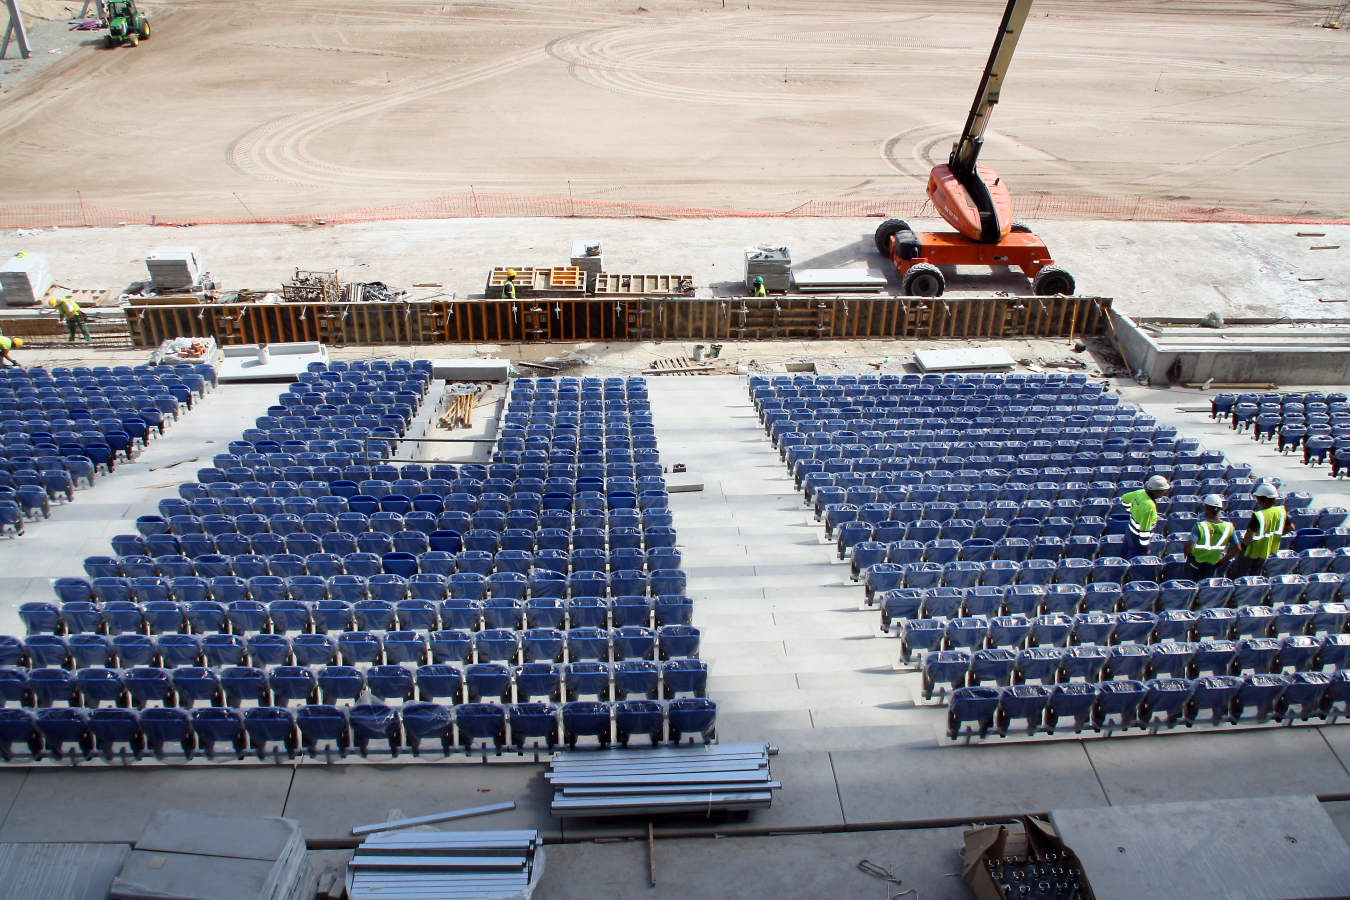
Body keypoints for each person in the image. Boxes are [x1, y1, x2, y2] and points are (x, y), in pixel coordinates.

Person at [1231, 482, 1295, 578]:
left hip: (1251, 550)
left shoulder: (1259, 515)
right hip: (1266, 548)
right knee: (1256, 575)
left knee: (1239, 574)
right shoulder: (1280, 512)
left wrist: (1241, 547)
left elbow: (1249, 537)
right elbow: (1291, 527)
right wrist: (1274, 534)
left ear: (1259, 499)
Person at [1185, 493, 1239, 581]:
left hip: (1197, 566)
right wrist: (1222, 561)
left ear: (1206, 507)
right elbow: (1237, 547)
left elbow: (1188, 549)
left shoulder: (1200, 526)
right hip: (1216, 565)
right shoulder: (1229, 527)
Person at [1118, 474, 1170, 559]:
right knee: (1135, 559)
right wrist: (1145, 548)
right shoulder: (1149, 506)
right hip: (1137, 538)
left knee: (1125, 553)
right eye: (1162, 490)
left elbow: (1124, 499)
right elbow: (1144, 530)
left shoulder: (1141, 492)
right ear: (1155, 491)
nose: (1164, 492)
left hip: (1130, 531)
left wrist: (1131, 510)